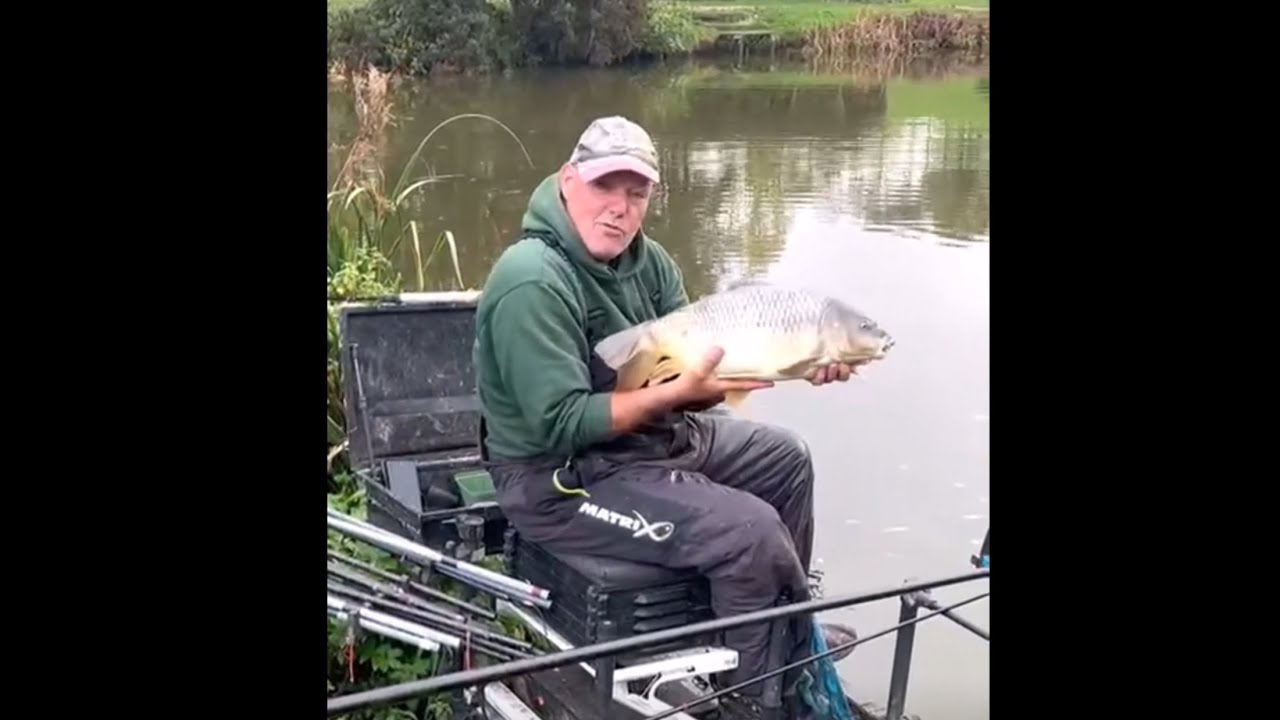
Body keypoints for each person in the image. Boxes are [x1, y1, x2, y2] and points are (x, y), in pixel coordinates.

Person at [473, 116, 859, 718]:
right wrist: (677, 392)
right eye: (606, 187)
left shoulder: (649, 264)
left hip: (651, 444)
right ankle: (752, 704)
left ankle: (784, 638)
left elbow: (700, 382)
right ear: (568, 180)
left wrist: (796, 364)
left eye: (636, 193)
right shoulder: (532, 278)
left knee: (787, 460)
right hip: (561, 479)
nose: (619, 209)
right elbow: (561, 423)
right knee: (747, 534)